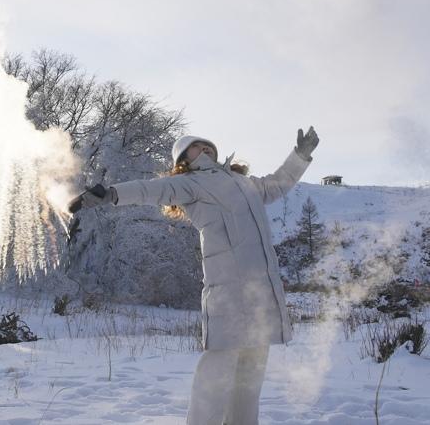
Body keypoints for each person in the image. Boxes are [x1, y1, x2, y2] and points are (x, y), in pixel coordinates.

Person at [75, 127, 319, 425]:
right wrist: (112, 194)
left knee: (251, 376)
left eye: (207, 145)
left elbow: (279, 184)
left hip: (261, 292)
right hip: (227, 290)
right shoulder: (190, 183)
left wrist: (300, 155)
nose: (204, 148)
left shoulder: (245, 183)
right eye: (195, 146)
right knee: (217, 371)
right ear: (183, 161)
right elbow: (151, 189)